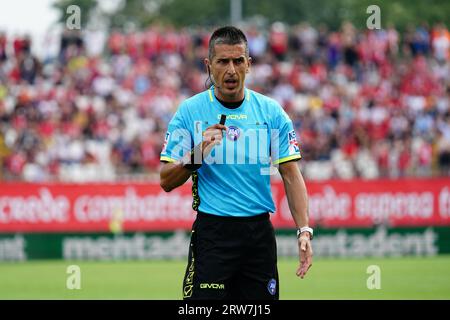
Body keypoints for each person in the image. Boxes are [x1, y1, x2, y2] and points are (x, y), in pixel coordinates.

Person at [160, 26, 313, 300]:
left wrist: (304, 229)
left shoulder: (271, 112)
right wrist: (198, 153)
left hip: (258, 237)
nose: (231, 70)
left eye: (238, 61)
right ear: (209, 65)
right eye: (222, 62)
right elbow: (166, 180)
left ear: (249, 65)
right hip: (213, 234)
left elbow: (291, 174)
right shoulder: (189, 112)